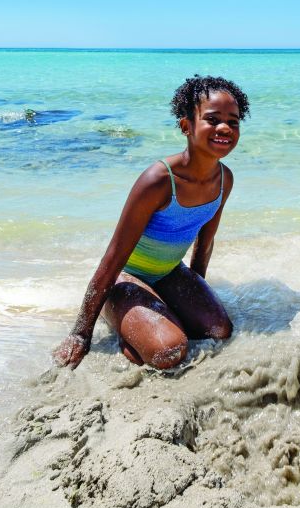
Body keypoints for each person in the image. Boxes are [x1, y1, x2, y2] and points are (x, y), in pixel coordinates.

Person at [53, 75, 247, 370]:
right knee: (169, 351)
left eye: (233, 122)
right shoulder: (158, 181)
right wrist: (80, 334)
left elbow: (205, 243)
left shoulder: (224, 179)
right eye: (212, 119)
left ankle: (150, 317)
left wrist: (194, 295)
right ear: (186, 125)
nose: (224, 128)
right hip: (124, 278)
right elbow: (114, 256)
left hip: (168, 272)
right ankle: (119, 318)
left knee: (218, 330)